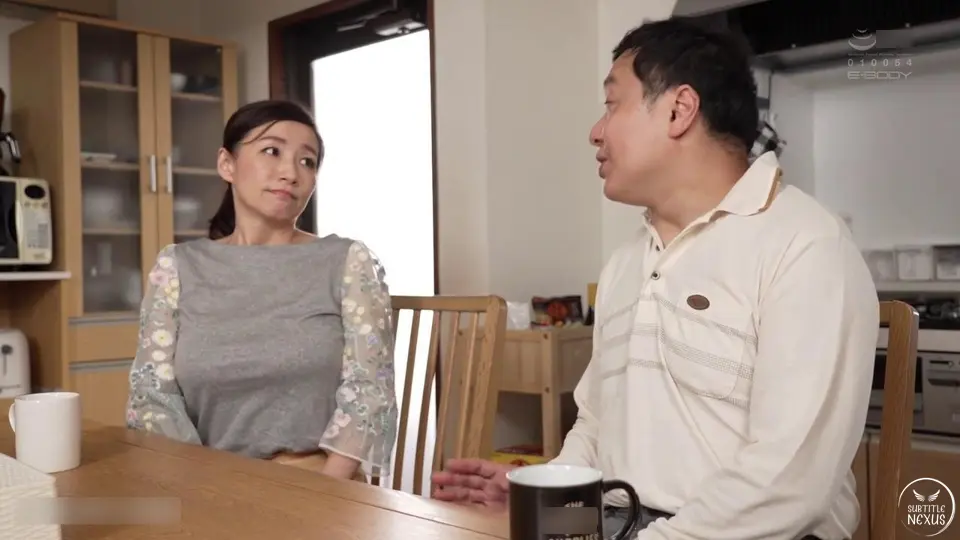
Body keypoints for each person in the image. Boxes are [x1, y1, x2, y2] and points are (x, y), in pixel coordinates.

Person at [431, 17, 877, 540]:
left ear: (679, 109)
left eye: (611, 104)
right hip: (622, 525)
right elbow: (596, 426)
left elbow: (790, 483)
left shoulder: (805, 244)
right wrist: (552, 497)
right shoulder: (626, 264)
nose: (595, 132)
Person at [125, 99, 399, 482]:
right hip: (206, 484)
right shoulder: (177, 267)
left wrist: (323, 491)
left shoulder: (348, 261)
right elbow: (152, 394)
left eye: (307, 161)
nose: (291, 172)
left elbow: (369, 390)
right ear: (227, 164)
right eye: (272, 151)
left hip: (320, 485)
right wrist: (204, 486)